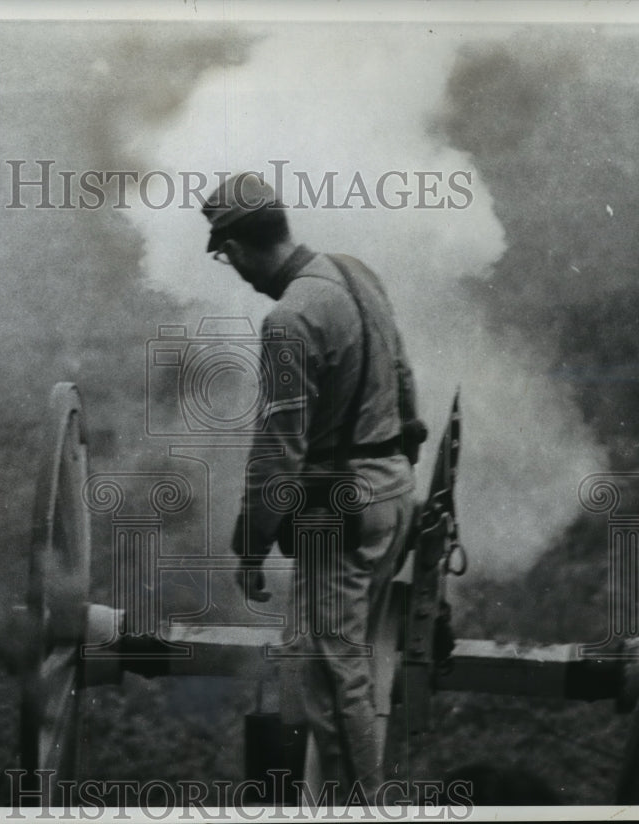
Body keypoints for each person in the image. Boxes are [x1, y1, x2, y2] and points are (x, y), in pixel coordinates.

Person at [202, 173, 427, 803]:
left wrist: (250, 545)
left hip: (342, 505)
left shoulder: (288, 319)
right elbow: (404, 375)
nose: (233, 268)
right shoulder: (353, 272)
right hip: (391, 488)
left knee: (334, 676)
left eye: (225, 255)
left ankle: (358, 809)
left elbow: (279, 448)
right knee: (328, 655)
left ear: (238, 248)